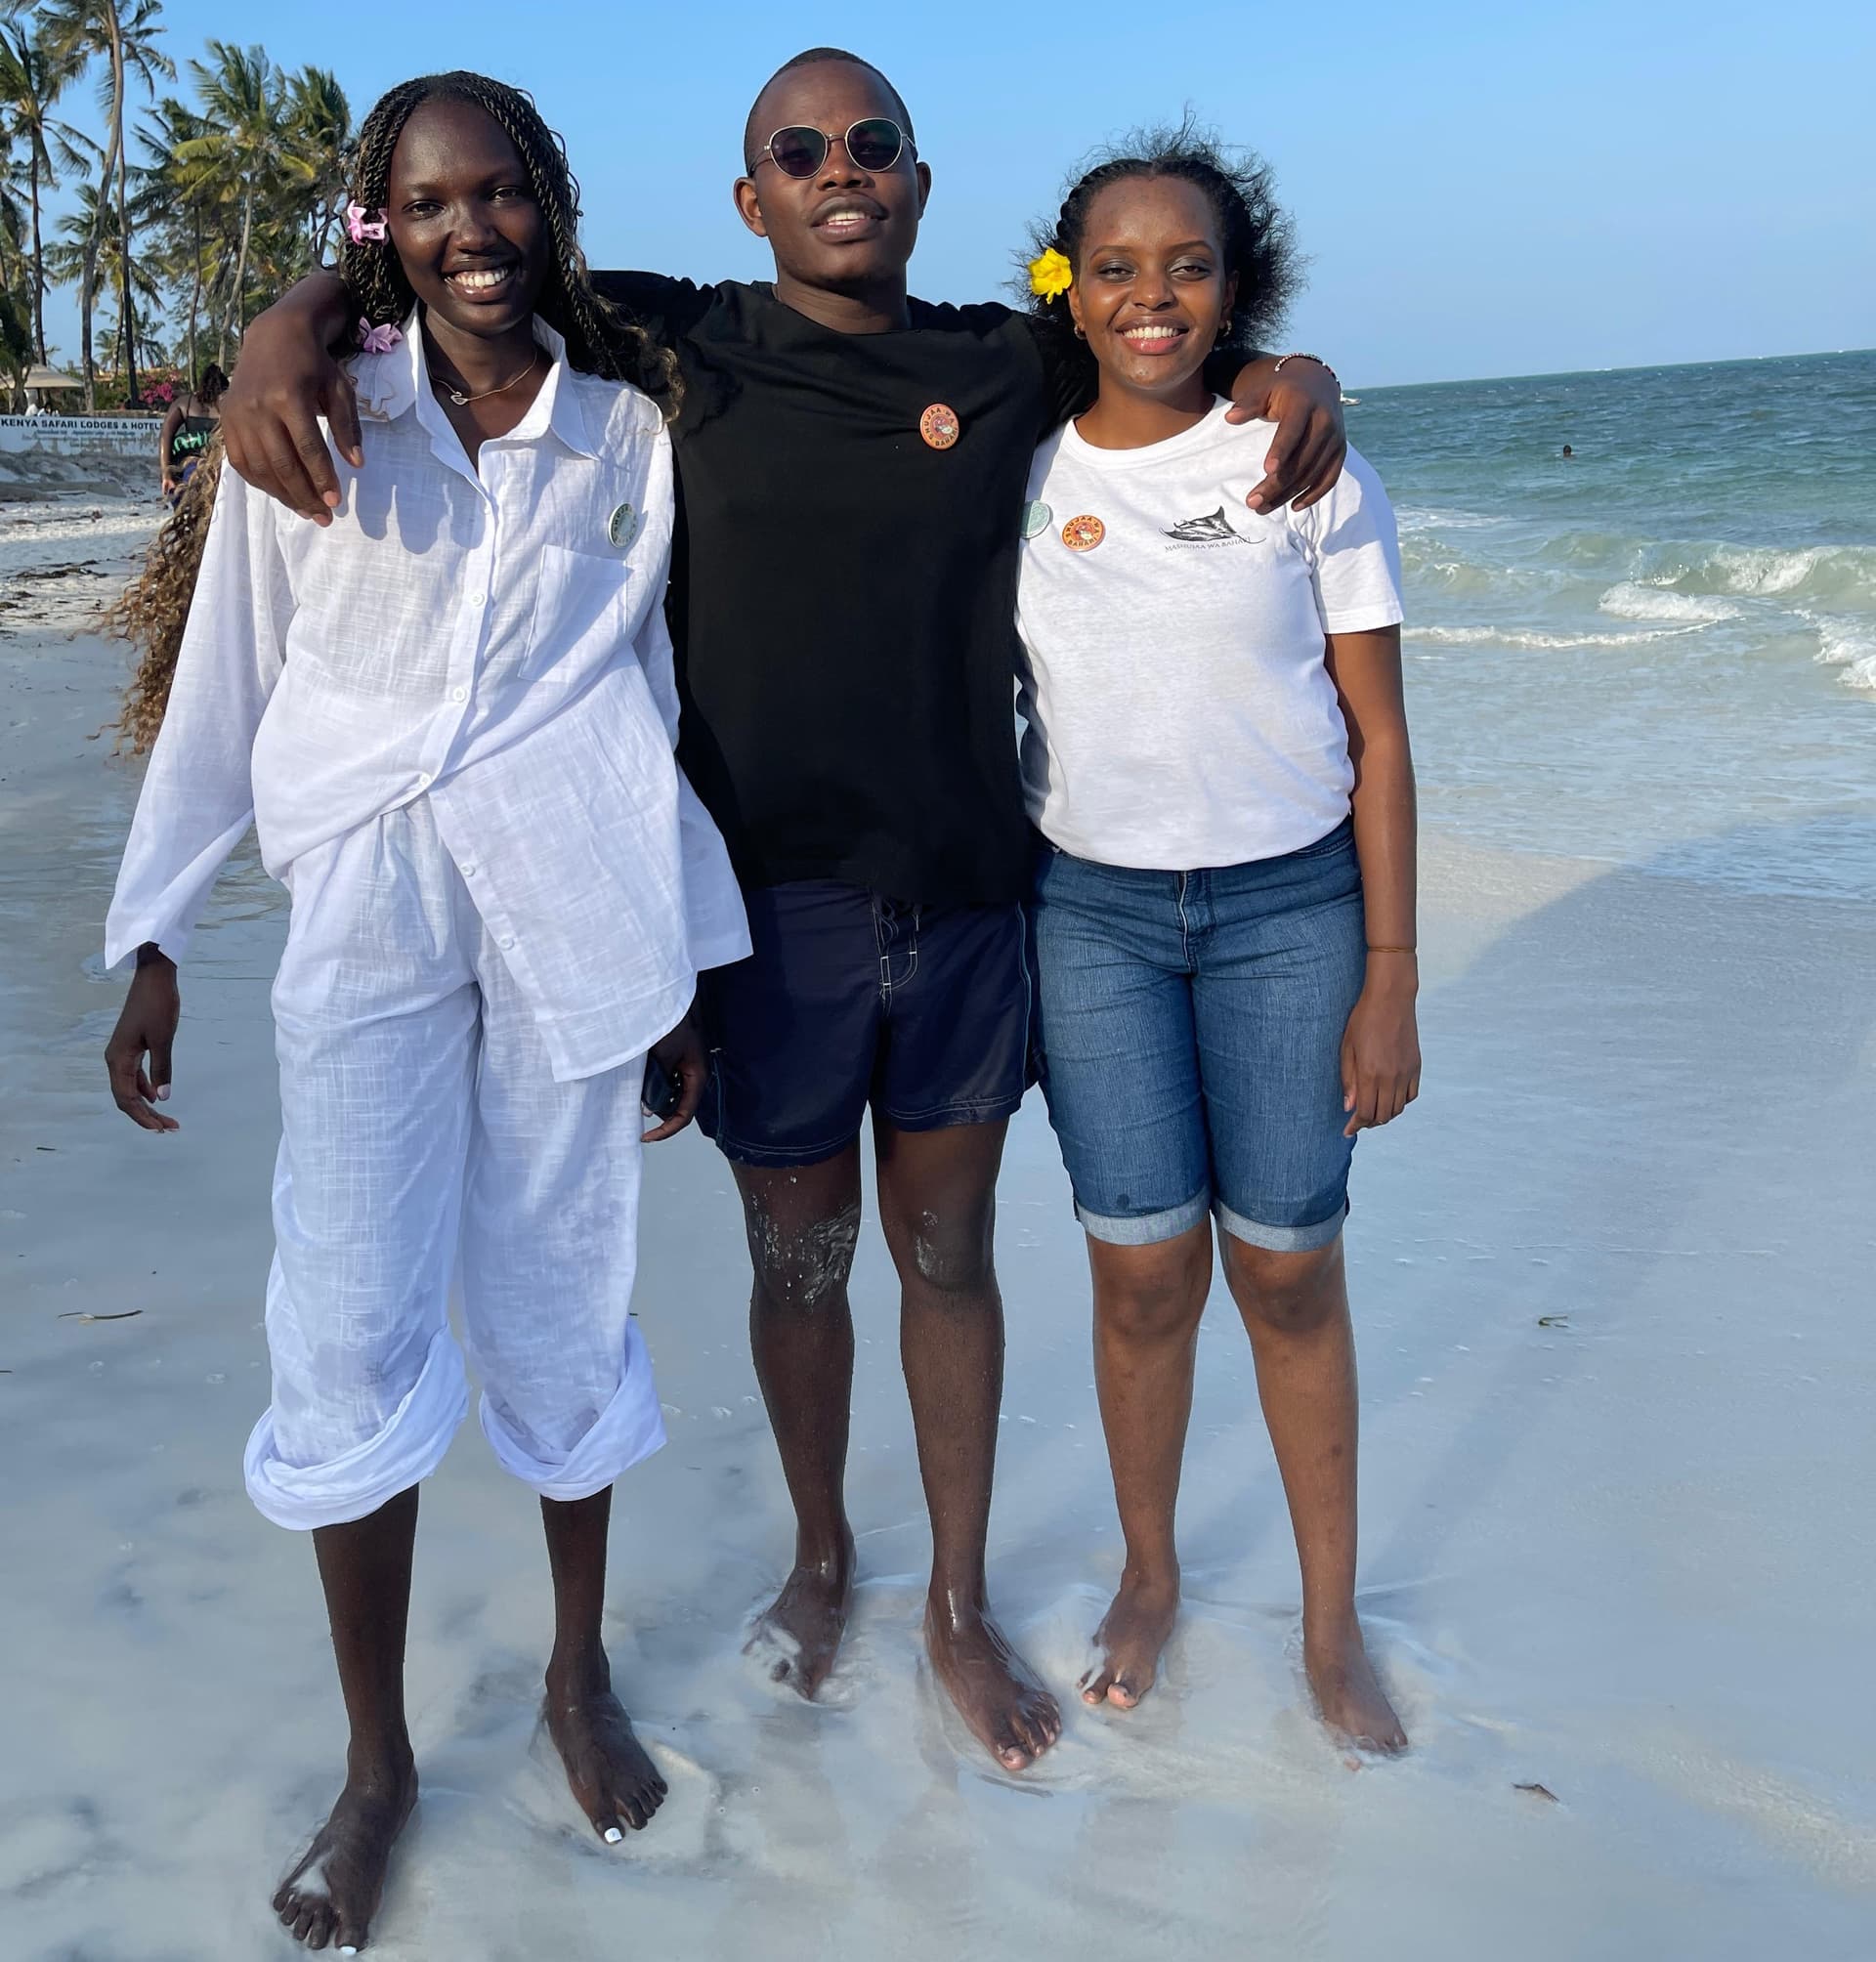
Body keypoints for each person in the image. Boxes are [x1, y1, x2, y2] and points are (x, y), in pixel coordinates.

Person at [217, 48, 1350, 1776]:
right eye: (799, 151)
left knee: (949, 1255)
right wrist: (284, 319)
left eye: (874, 144)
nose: (843, 169)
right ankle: (825, 1550)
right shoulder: (677, 344)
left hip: (973, 897)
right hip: (766, 917)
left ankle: (955, 1604)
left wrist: (1281, 365)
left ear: (917, 177)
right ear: (751, 198)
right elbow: (458, 268)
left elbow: (1162, 338)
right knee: (796, 1256)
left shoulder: (1002, 353)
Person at [102, 72, 748, 1952]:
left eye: (504, 193)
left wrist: (675, 964)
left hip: (570, 899)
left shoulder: (626, 434)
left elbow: (645, 695)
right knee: (350, 1314)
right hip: (367, 914)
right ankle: (377, 1761)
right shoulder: (318, 421)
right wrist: (159, 937)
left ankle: (573, 1673)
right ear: (381, 223)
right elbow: (230, 677)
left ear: (547, 202)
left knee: (566, 1285)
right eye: (431, 199)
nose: (476, 228)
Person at [1015, 129, 1418, 1750]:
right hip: (1093, 916)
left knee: (1291, 1271)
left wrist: (1391, 976)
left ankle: (1330, 1625)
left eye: (1187, 264)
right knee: (1141, 1281)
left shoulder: (1305, 459)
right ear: (1071, 288)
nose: (1152, 295)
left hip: (1289, 914)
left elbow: (1381, 740)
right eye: (1115, 265)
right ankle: (1153, 1571)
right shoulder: (1025, 467)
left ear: (1233, 285)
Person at [157, 363, 226, 504]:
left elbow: (166, 434)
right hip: (218, 467)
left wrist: (166, 473)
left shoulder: (185, 403)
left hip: (190, 466)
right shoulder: (228, 404)